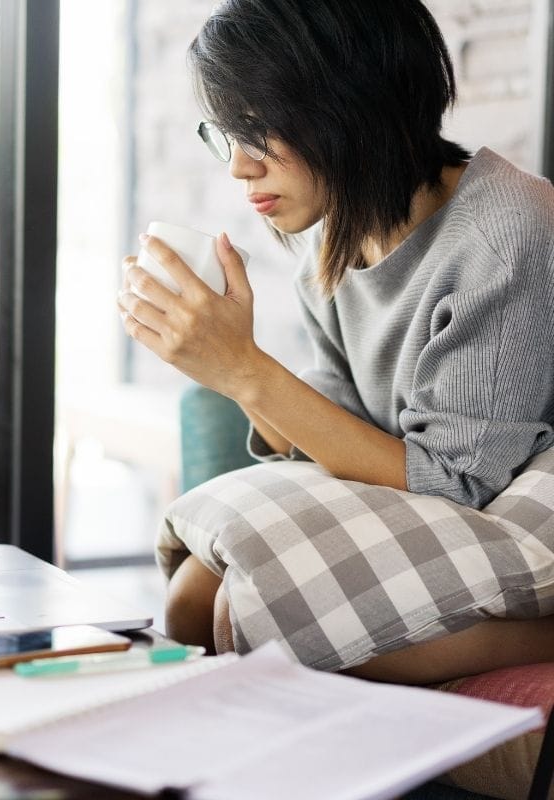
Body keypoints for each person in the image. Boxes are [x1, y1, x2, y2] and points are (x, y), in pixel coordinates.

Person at [117, 0, 554, 683]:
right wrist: (225, 359)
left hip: (511, 503)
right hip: (438, 492)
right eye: (227, 134)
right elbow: (331, 430)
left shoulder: (506, 234)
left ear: (352, 105)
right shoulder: (329, 238)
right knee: (190, 597)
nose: (239, 167)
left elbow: (460, 482)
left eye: (261, 132)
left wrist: (245, 371)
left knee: (249, 617)